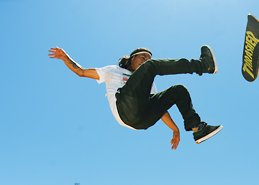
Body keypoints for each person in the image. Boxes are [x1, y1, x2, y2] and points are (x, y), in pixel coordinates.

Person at [48, 45, 223, 150]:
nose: (145, 59)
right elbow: (81, 72)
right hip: (126, 109)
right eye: (142, 57)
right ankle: (204, 65)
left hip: (143, 120)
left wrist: (175, 130)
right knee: (151, 68)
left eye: (148, 58)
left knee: (178, 90)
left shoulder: (148, 83)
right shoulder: (113, 71)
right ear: (132, 59)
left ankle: (197, 129)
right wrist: (65, 57)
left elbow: (160, 110)